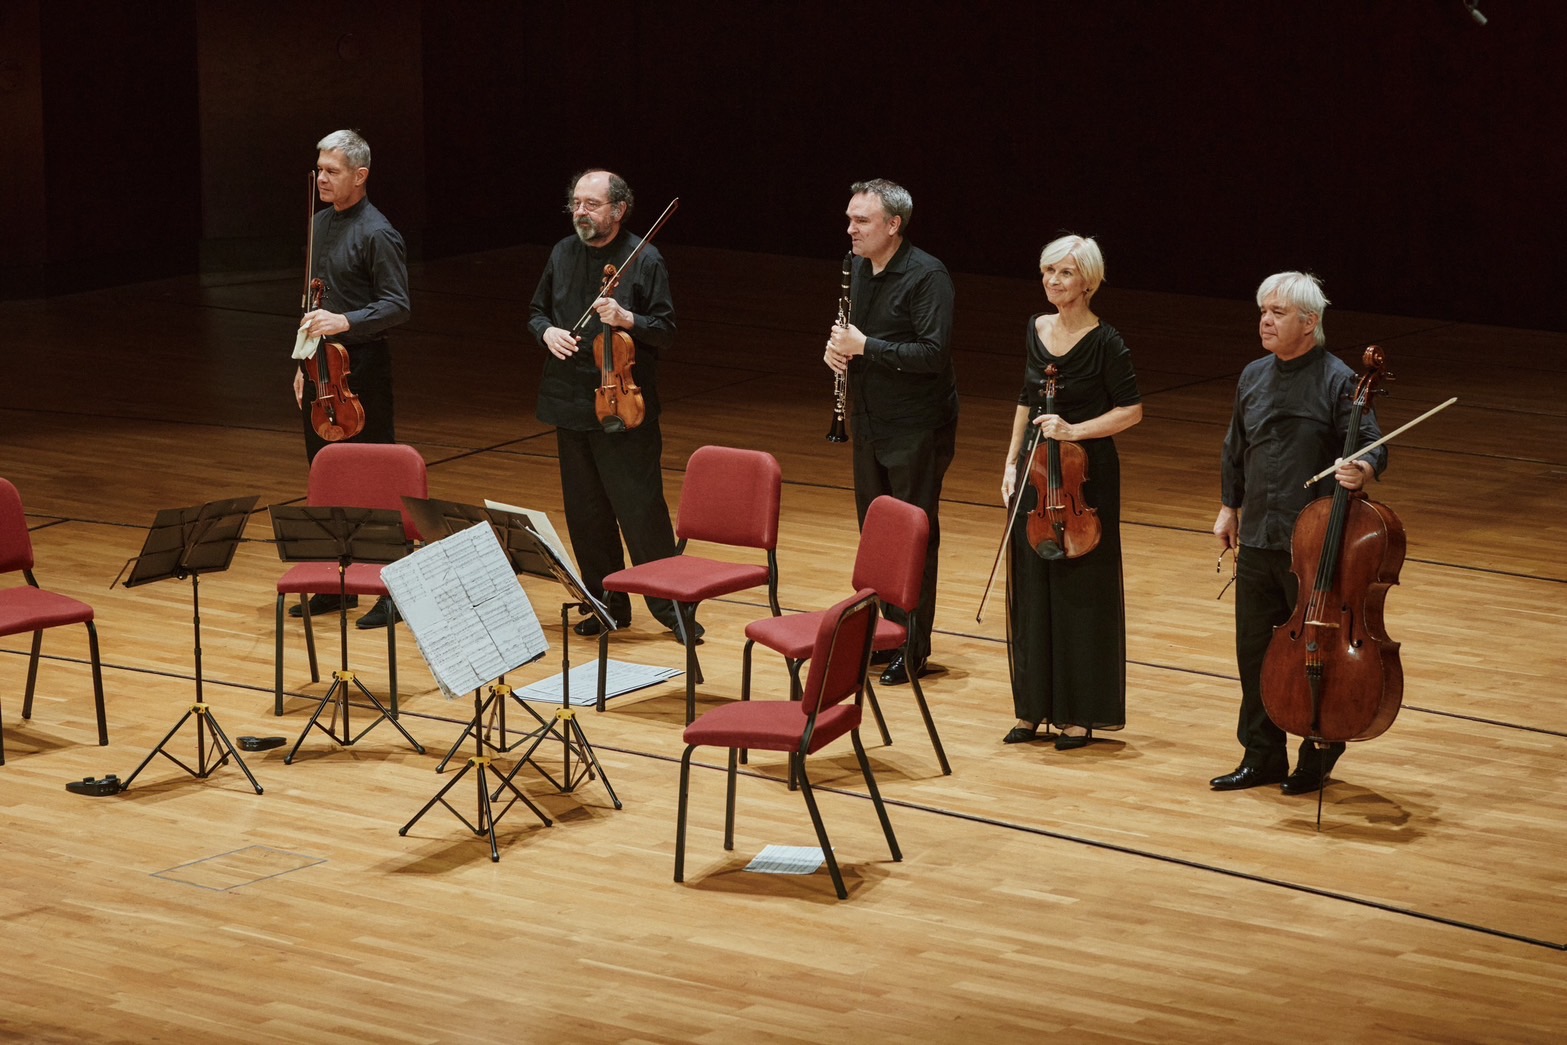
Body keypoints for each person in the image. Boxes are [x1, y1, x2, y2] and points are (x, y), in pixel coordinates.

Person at [1210, 271, 1385, 794]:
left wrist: (1362, 470)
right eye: (1263, 310)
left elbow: (1373, 445)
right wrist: (1228, 508)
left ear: (1309, 323)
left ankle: (1317, 754)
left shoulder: (1338, 380)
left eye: (1278, 313)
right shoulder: (1252, 375)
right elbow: (1235, 446)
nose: (1265, 320)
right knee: (1253, 654)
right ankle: (1261, 756)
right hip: (1259, 538)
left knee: (1317, 653)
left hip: (1313, 548)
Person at [527, 169, 694, 643]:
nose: (581, 212)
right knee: (585, 515)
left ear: (618, 210)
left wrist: (628, 318)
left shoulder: (645, 259)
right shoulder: (562, 253)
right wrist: (546, 332)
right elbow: (536, 312)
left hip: (626, 406)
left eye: (591, 204)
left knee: (641, 512)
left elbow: (664, 330)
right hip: (569, 401)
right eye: (576, 203)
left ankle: (672, 610)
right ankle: (607, 606)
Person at [1000, 236, 1143, 749]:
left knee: (1082, 592)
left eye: (1063, 273)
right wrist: (1012, 460)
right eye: (1047, 272)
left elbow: (1131, 410)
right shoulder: (1036, 328)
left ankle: (1080, 714)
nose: (1052, 282)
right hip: (1039, 476)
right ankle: (1031, 708)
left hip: (1085, 475)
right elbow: (1026, 394)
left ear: (1088, 280)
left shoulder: (1108, 342)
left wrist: (1073, 431)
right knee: (1033, 586)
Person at [825, 178, 958, 686]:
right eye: (850, 218)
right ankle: (884, 636)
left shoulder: (928, 277)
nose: (850, 229)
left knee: (914, 536)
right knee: (876, 535)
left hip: (917, 425)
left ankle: (913, 646)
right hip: (869, 418)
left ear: (893, 225)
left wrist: (865, 347)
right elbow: (852, 335)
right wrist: (836, 349)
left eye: (861, 221)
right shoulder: (854, 266)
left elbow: (932, 354)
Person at [291, 128, 411, 630]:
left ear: (360, 176)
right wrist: (300, 364)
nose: (321, 178)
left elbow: (398, 305)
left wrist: (347, 321)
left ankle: (394, 591)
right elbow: (311, 302)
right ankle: (333, 586)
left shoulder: (378, 233)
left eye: (332, 170)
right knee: (326, 476)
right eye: (319, 169)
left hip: (361, 369)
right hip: (320, 370)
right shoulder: (319, 223)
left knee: (376, 481)